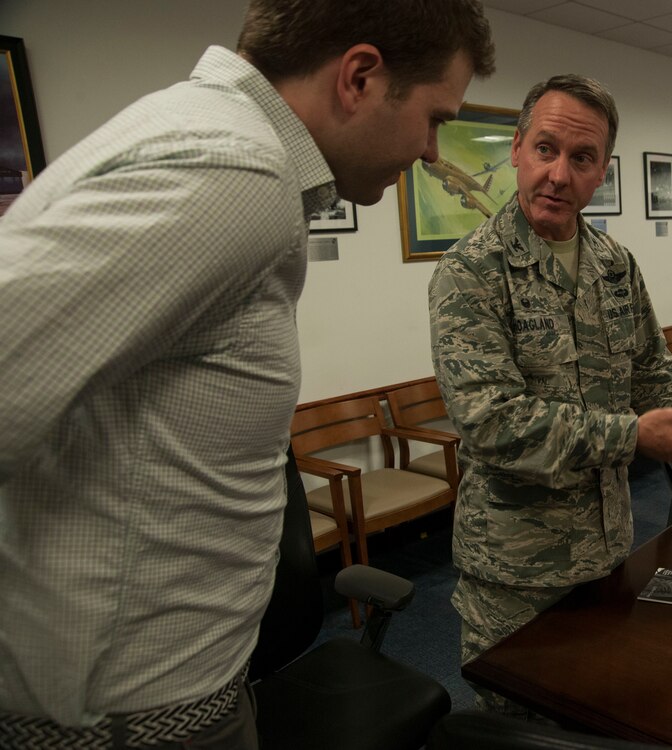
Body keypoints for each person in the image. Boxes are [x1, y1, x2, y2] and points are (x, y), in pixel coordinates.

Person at [0, 2, 496, 748]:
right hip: (135, 718)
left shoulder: (203, 135)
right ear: (359, 77)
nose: (431, 151)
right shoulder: (234, 168)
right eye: (433, 117)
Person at [428, 74, 672, 716]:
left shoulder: (615, 266)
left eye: (580, 158)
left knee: (608, 713)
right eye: (545, 149)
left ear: (602, 172)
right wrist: (631, 436)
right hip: (517, 576)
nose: (558, 174)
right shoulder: (470, 272)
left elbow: (655, 376)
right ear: (516, 150)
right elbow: (491, 423)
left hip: (611, 550)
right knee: (525, 727)